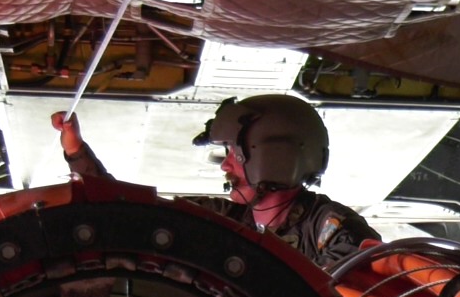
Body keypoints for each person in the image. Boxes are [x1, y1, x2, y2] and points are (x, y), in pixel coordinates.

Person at [52, 93, 380, 269]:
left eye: (233, 154)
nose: (225, 165)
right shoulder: (225, 220)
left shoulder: (329, 227)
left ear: (271, 157)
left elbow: (350, 286)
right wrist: (76, 150)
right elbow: (131, 210)